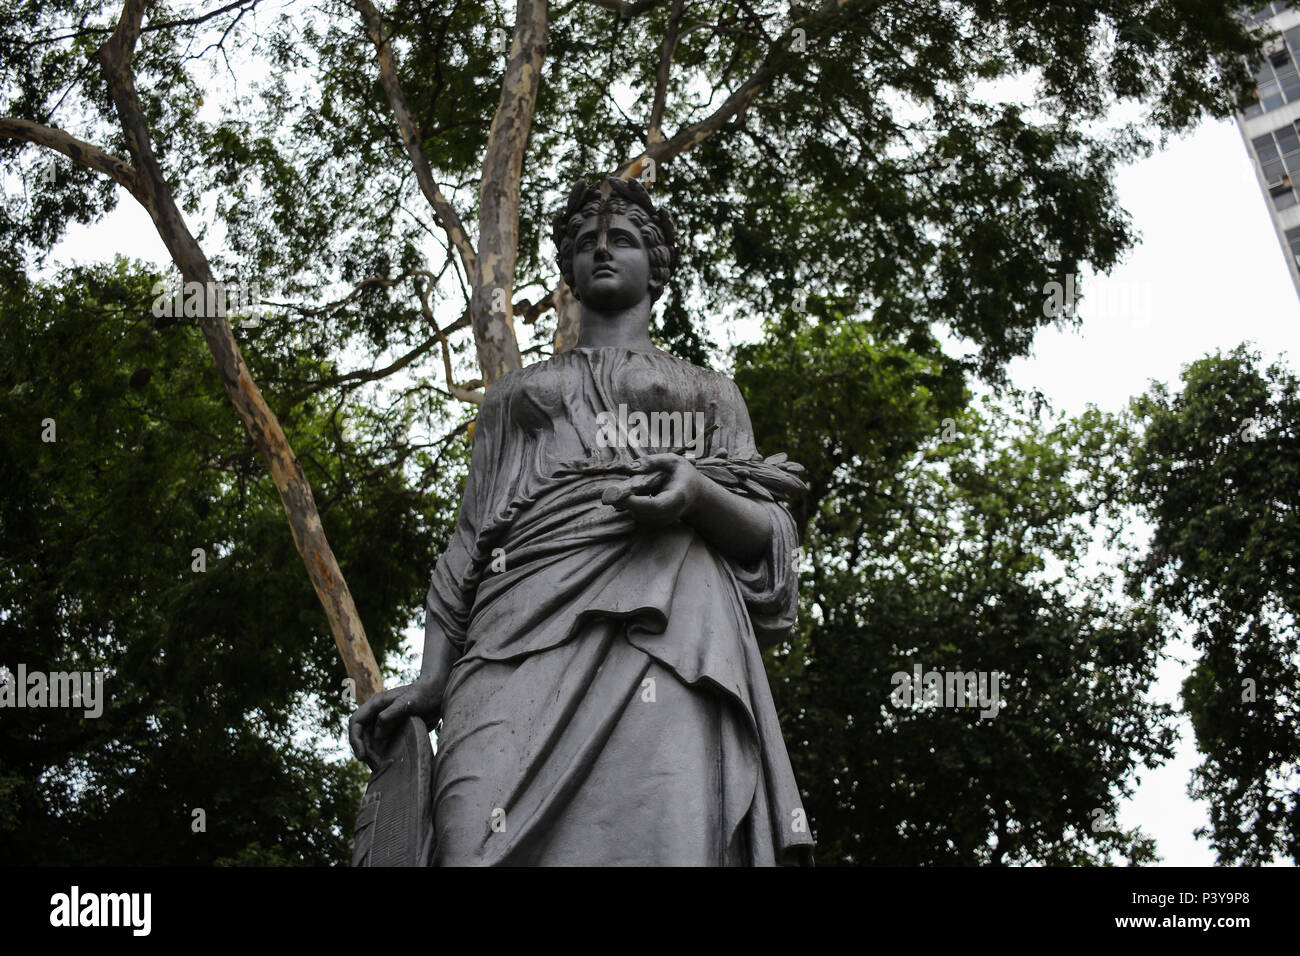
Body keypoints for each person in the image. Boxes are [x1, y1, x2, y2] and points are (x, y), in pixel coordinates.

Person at [349, 177, 814, 866]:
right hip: (514, 627)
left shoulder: (708, 392)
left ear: (655, 270)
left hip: (671, 627)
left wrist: (696, 496)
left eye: (622, 240)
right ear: (565, 266)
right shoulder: (516, 396)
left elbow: (772, 540)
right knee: (473, 835)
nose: (603, 252)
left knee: (662, 838)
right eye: (587, 243)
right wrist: (431, 679)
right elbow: (470, 540)